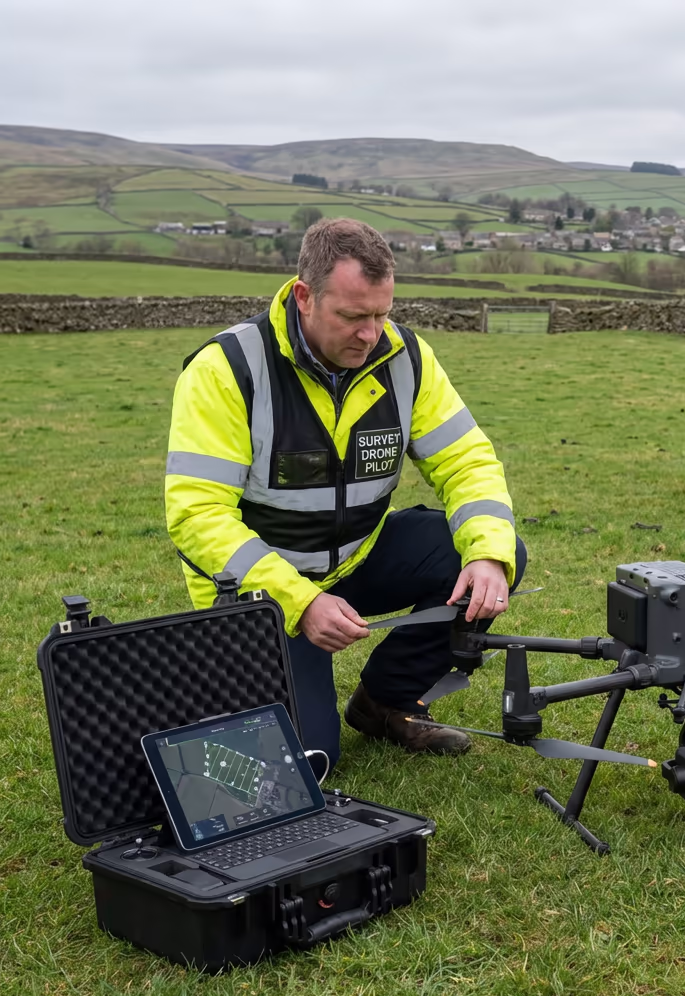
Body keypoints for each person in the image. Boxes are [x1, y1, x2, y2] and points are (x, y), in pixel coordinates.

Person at [165, 218, 526, 769]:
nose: (370, 334)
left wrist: (488, 553)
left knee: (492, 554)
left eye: (382, 314)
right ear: (304, 297)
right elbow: (197, 515)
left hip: (356, 559)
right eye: (353, 317)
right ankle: (223, 668)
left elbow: (466, 461)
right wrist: (301, 601)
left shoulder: (405, 357)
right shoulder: (227, 369)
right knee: (308, 760)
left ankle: (386, 701)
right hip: (259, 595)